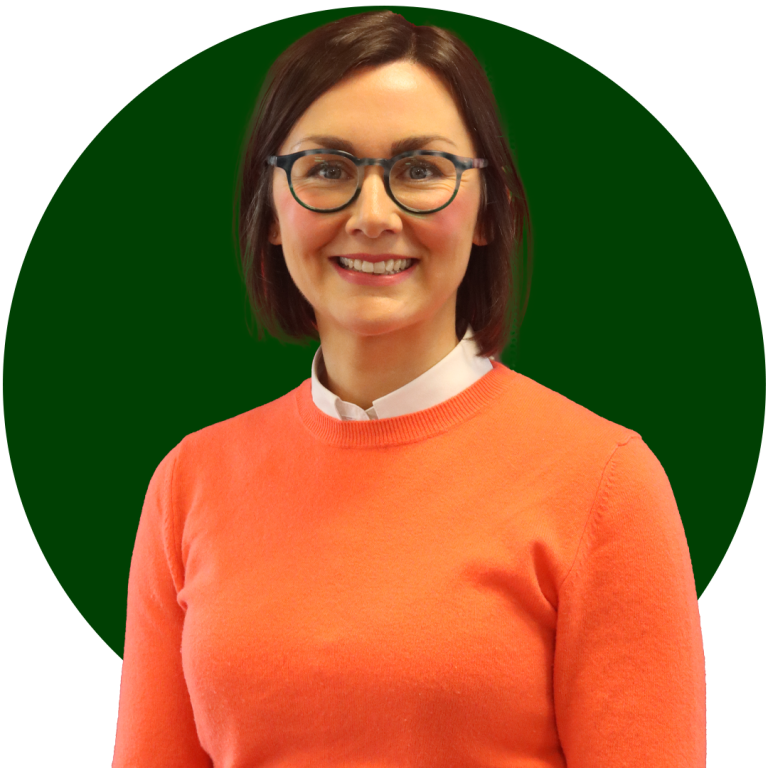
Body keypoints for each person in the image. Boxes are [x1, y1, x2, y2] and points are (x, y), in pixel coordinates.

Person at [111, 11, 706, 768]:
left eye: (421, 170)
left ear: (489, 209)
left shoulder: (606, 484)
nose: (372, 216)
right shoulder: (188, 481)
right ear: (271, 212)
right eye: (326, 169)